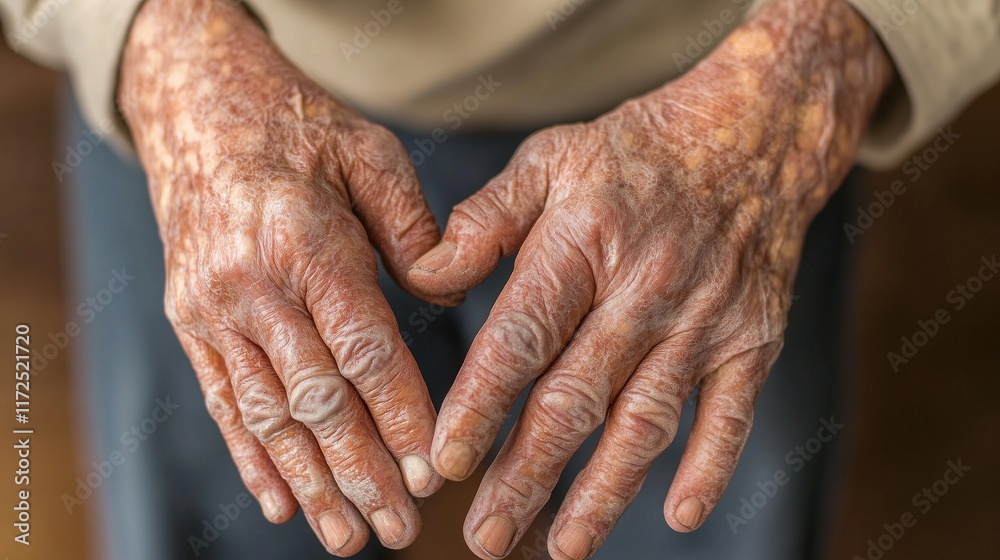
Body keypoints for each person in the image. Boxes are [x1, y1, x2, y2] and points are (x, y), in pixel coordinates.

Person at [3, 0, 998, 558]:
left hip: (729, 104)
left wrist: (807, 69)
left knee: (711, 530)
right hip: (223, 100)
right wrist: (160, 51)